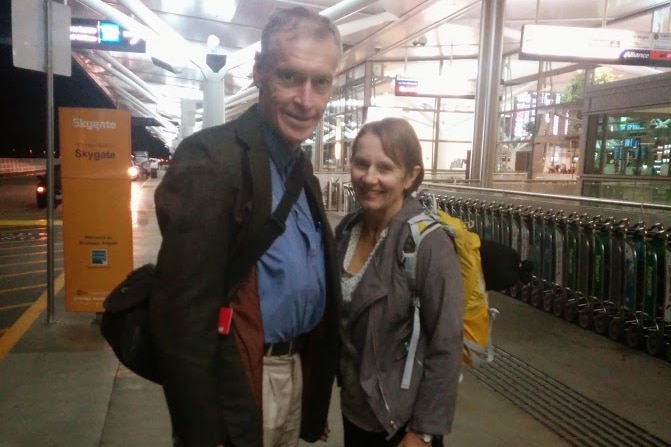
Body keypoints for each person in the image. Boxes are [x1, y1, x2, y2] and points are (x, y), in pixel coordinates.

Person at [149, 7, 343, 447]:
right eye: (290, 76)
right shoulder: (212, 159)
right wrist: (203, 433)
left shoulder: (298, 166)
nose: (306, 100)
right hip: (243, 376)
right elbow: (181, 319)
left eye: (322, 81)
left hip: (291, 372)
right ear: (258, 72)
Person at [334, 118, 464, 447]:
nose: (369, 178)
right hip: (355, 412)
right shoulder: (347, 230)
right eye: (361, 164)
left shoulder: (427, 244)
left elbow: (446, 344)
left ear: (410, 177)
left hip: (401, 423)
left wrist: (423, 431)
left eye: (385, 168)